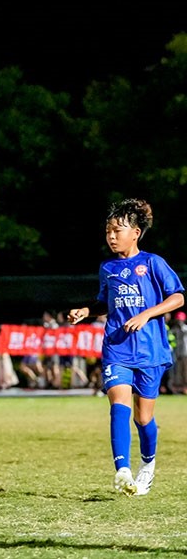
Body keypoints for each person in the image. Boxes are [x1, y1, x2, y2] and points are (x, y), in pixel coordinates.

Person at [68, 198, 184, 497]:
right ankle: (122, 470)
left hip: (150, 351)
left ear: (135, 233)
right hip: (117, 348)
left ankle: (148, 464)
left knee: (143, 418)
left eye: (117, 230)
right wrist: (86, 311)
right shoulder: (107, 267)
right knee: (119, 405)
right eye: (108, 230)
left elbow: (178, 298)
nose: (111, 236)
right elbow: (104, 303)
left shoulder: (153, 263)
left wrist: (147, 314)